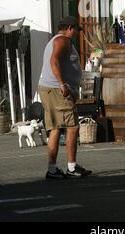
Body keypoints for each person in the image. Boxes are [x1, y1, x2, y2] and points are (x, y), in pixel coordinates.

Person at [38, 15, 92, 179]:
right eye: (76, 30)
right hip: (57, 90)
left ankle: (53, 170)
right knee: (72, 127)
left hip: (50, 89)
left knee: (55, 128)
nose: (76, 33)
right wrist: (62, 84)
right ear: (70, 28)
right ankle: (71, 167)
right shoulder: (62, 40)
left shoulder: (55, 40)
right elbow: (54, 61)